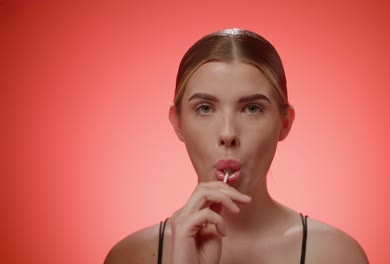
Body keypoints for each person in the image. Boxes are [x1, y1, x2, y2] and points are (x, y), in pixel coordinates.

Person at [104, 28, 368, 264]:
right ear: (178, 123)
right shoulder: (130, 257)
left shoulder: (336, 255)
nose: (228, 133)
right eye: (205, 108)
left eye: (252, 108)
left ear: (284, 123)